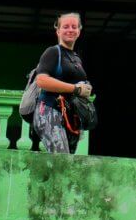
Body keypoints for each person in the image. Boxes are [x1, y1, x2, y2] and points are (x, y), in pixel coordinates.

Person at [33, 12, 92, 154]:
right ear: (58, 30)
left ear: (79, 30)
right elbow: (41, 80)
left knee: (67, 164)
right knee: (61, 162)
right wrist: (75, 89)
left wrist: (85, 87)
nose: (70, 30)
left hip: (71, 117)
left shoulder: (76, 58)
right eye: (66, 26)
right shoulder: (53, 52)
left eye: (74, 26)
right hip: (49, 111)